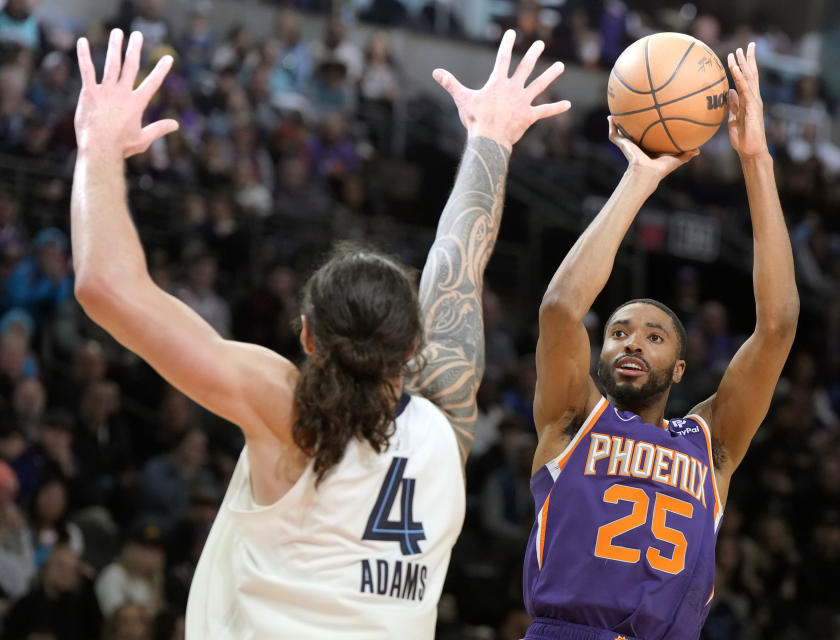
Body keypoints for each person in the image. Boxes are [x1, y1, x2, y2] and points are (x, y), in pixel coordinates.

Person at [71, 28, 568, 638]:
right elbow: (457, 261)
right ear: (415, 347)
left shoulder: (287, 410)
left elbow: (106, 287)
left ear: (306, 335)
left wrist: (96, 146)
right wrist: (492, 138)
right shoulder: (449, 418)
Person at [523, 42, 799, 639]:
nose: (631, 343)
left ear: (678, 369)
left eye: (653, 336)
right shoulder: (572, 422)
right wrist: (639, 178)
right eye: (618, 331)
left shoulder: (711, 445)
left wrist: (756, 159)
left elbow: (777, 327)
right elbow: (560, 310)